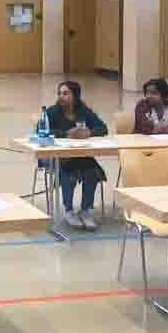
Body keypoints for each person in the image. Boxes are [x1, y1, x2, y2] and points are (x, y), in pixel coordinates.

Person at [45, 81, 108, 231]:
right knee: (69, 174)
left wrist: (89, 133)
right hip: (60, 156)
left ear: (75, 96)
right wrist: (66, 134)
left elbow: (103, 128)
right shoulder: (52, 112)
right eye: (59, 93)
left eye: (65, 93)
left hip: (81, 154)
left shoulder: (84, 111)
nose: (61, 96)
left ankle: (86, 210)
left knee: (92, 172)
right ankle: (68, 211)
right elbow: (43, 132)